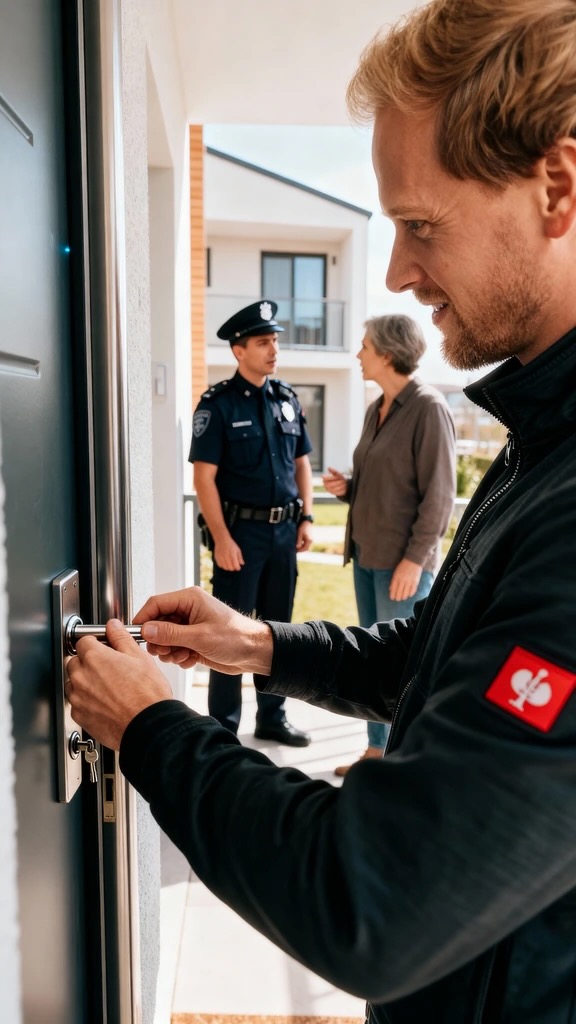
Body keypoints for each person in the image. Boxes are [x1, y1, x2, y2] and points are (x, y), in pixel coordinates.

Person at [66, 1, 576, 1020]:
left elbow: (376, 896)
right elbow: (426, 664)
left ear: (556, 185)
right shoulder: (540, 442)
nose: (395, 271)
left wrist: (152, 728)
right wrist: (261, 643)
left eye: (420, 224)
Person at [323, 314, 455, 775]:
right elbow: (386, 480)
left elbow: (438, 496)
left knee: (406, 671)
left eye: (364, 347)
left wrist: (414, 562)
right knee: (371, 662)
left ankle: (404, 761)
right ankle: (376, 752)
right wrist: (350, 487)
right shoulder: (375, 408)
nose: (358, 354)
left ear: (386, 352)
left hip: (402, 564)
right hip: (366, 555)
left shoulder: (428, 407)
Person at [189, 299, 314, 746]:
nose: (273, 350)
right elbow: (204, 478)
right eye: (264, 342)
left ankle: (272, 717)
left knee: (278, 629)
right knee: (228, 628)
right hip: (240, 536)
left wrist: (307, 517)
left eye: (275, 341)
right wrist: (221, 538)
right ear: (239, 351)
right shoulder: (218, 405)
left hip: (284, 533)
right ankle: (223, 726)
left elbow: (302, 464)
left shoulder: (287, 399)